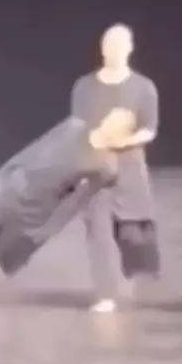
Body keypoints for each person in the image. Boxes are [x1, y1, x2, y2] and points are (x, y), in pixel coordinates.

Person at [0, 108, 136, 310]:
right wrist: (4, 171)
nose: (111, 126)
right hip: (16, 189)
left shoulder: (104, 164)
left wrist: (51, 226)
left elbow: (81, 198)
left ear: (121, 135)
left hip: (38, 209)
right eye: (112, 119)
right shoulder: (76, 127)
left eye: (118, 127)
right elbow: (36, 147)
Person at [71, 23, 160, 313]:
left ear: (130, 49)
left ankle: (133, 270)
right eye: (109, 45)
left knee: (131, 235)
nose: (114, 50)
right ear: (102, 48)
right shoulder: (85, 87)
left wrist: (125, 139)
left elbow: (149, 129)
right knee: (98, 232)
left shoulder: (143, 87)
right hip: (96, 168)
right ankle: (105, 294)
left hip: (130, 170)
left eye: (120, 45)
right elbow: (78, 127)